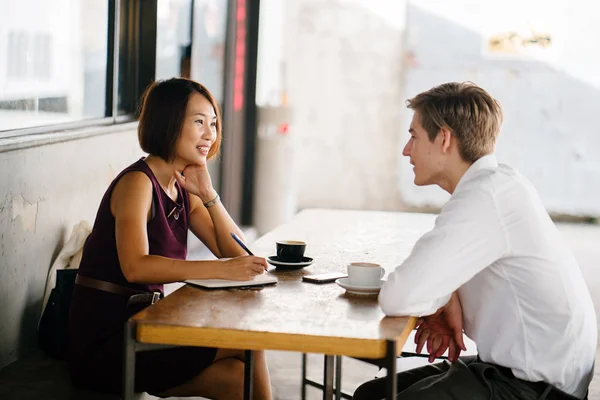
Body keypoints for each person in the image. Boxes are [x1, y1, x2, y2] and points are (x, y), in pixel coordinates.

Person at [353, 82, 596, 400]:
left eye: (414, 136)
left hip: (536, 388)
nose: (406, 150)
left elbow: (399, 296)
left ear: (444, 138)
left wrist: (437, 297)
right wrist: (446, 295)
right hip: (520, 371)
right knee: (371, 393)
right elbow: (435, 272)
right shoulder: (497, 185)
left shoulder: (485, 197)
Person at [67, 77, 272, 399]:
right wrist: (222, 270)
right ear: (169, 123)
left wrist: (208, 194)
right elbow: (136, 267)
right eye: (199, 122)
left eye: (214, 124)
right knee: (248, 342)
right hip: (109, 340)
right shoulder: (138, 182)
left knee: (236, 378)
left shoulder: (181, 188)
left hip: (149, 324)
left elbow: (232, 251)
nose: (210, 134)